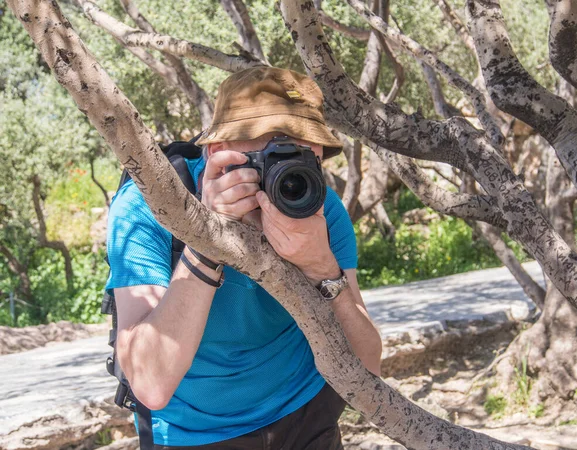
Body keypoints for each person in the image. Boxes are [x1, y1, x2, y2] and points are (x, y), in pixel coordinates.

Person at [106, 67, 383, 449]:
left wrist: (321, 265)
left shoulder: (317, 205)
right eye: (274, 147)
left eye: (306, 149)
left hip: (306, 409)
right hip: (195, 433)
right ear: (218, 152)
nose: (291, 166)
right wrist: (207, 243)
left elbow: (368, 366)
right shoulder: (148, 208)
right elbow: (151, 384)